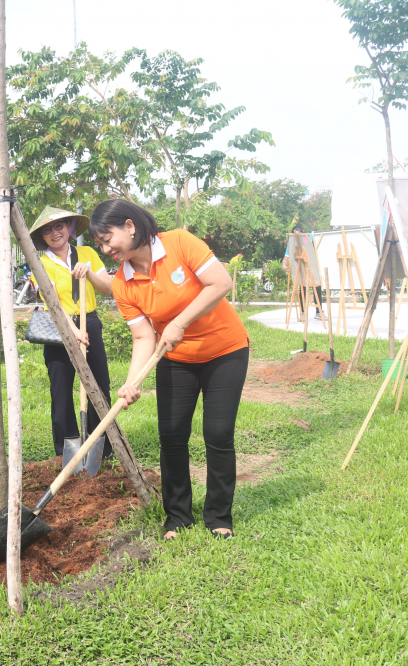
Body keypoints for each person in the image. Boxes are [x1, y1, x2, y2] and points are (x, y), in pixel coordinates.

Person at [90, 199, 248, 540]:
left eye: (108, 239)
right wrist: (131, 382)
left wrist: (179, 321)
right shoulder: (122, 284)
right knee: (172, 437)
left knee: (218, 434)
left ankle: (219, 516)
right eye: (100, 244)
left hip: (225, 351)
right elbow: (143, 335)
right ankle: (178, 516)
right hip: (175, 358)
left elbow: (220, 283)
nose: (105, 249)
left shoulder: (179, 242)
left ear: (130, 226)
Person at [28, 206, 114, 459]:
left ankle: (103, 448)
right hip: (59, 328)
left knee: (99, 387)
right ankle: (66, 451)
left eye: (59, 226)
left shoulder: (86, 253)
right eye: (48, 230)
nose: (55, 233)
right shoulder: (41, 262)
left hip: (90, 323)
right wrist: (73, 331)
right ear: (42, 237)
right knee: (62, 390)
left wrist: (88, 272)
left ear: (70, 228)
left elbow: (108, 287)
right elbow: (51, 300)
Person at [282, 223, 322, 320]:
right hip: (300, 269)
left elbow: (318, 240)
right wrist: (284, 265)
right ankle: (302, 312)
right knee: (302, 288)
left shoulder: (308, 237)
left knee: (317, 287)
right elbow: (286, 258)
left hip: (312, 268)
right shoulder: (291, 243)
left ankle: (319, 312)